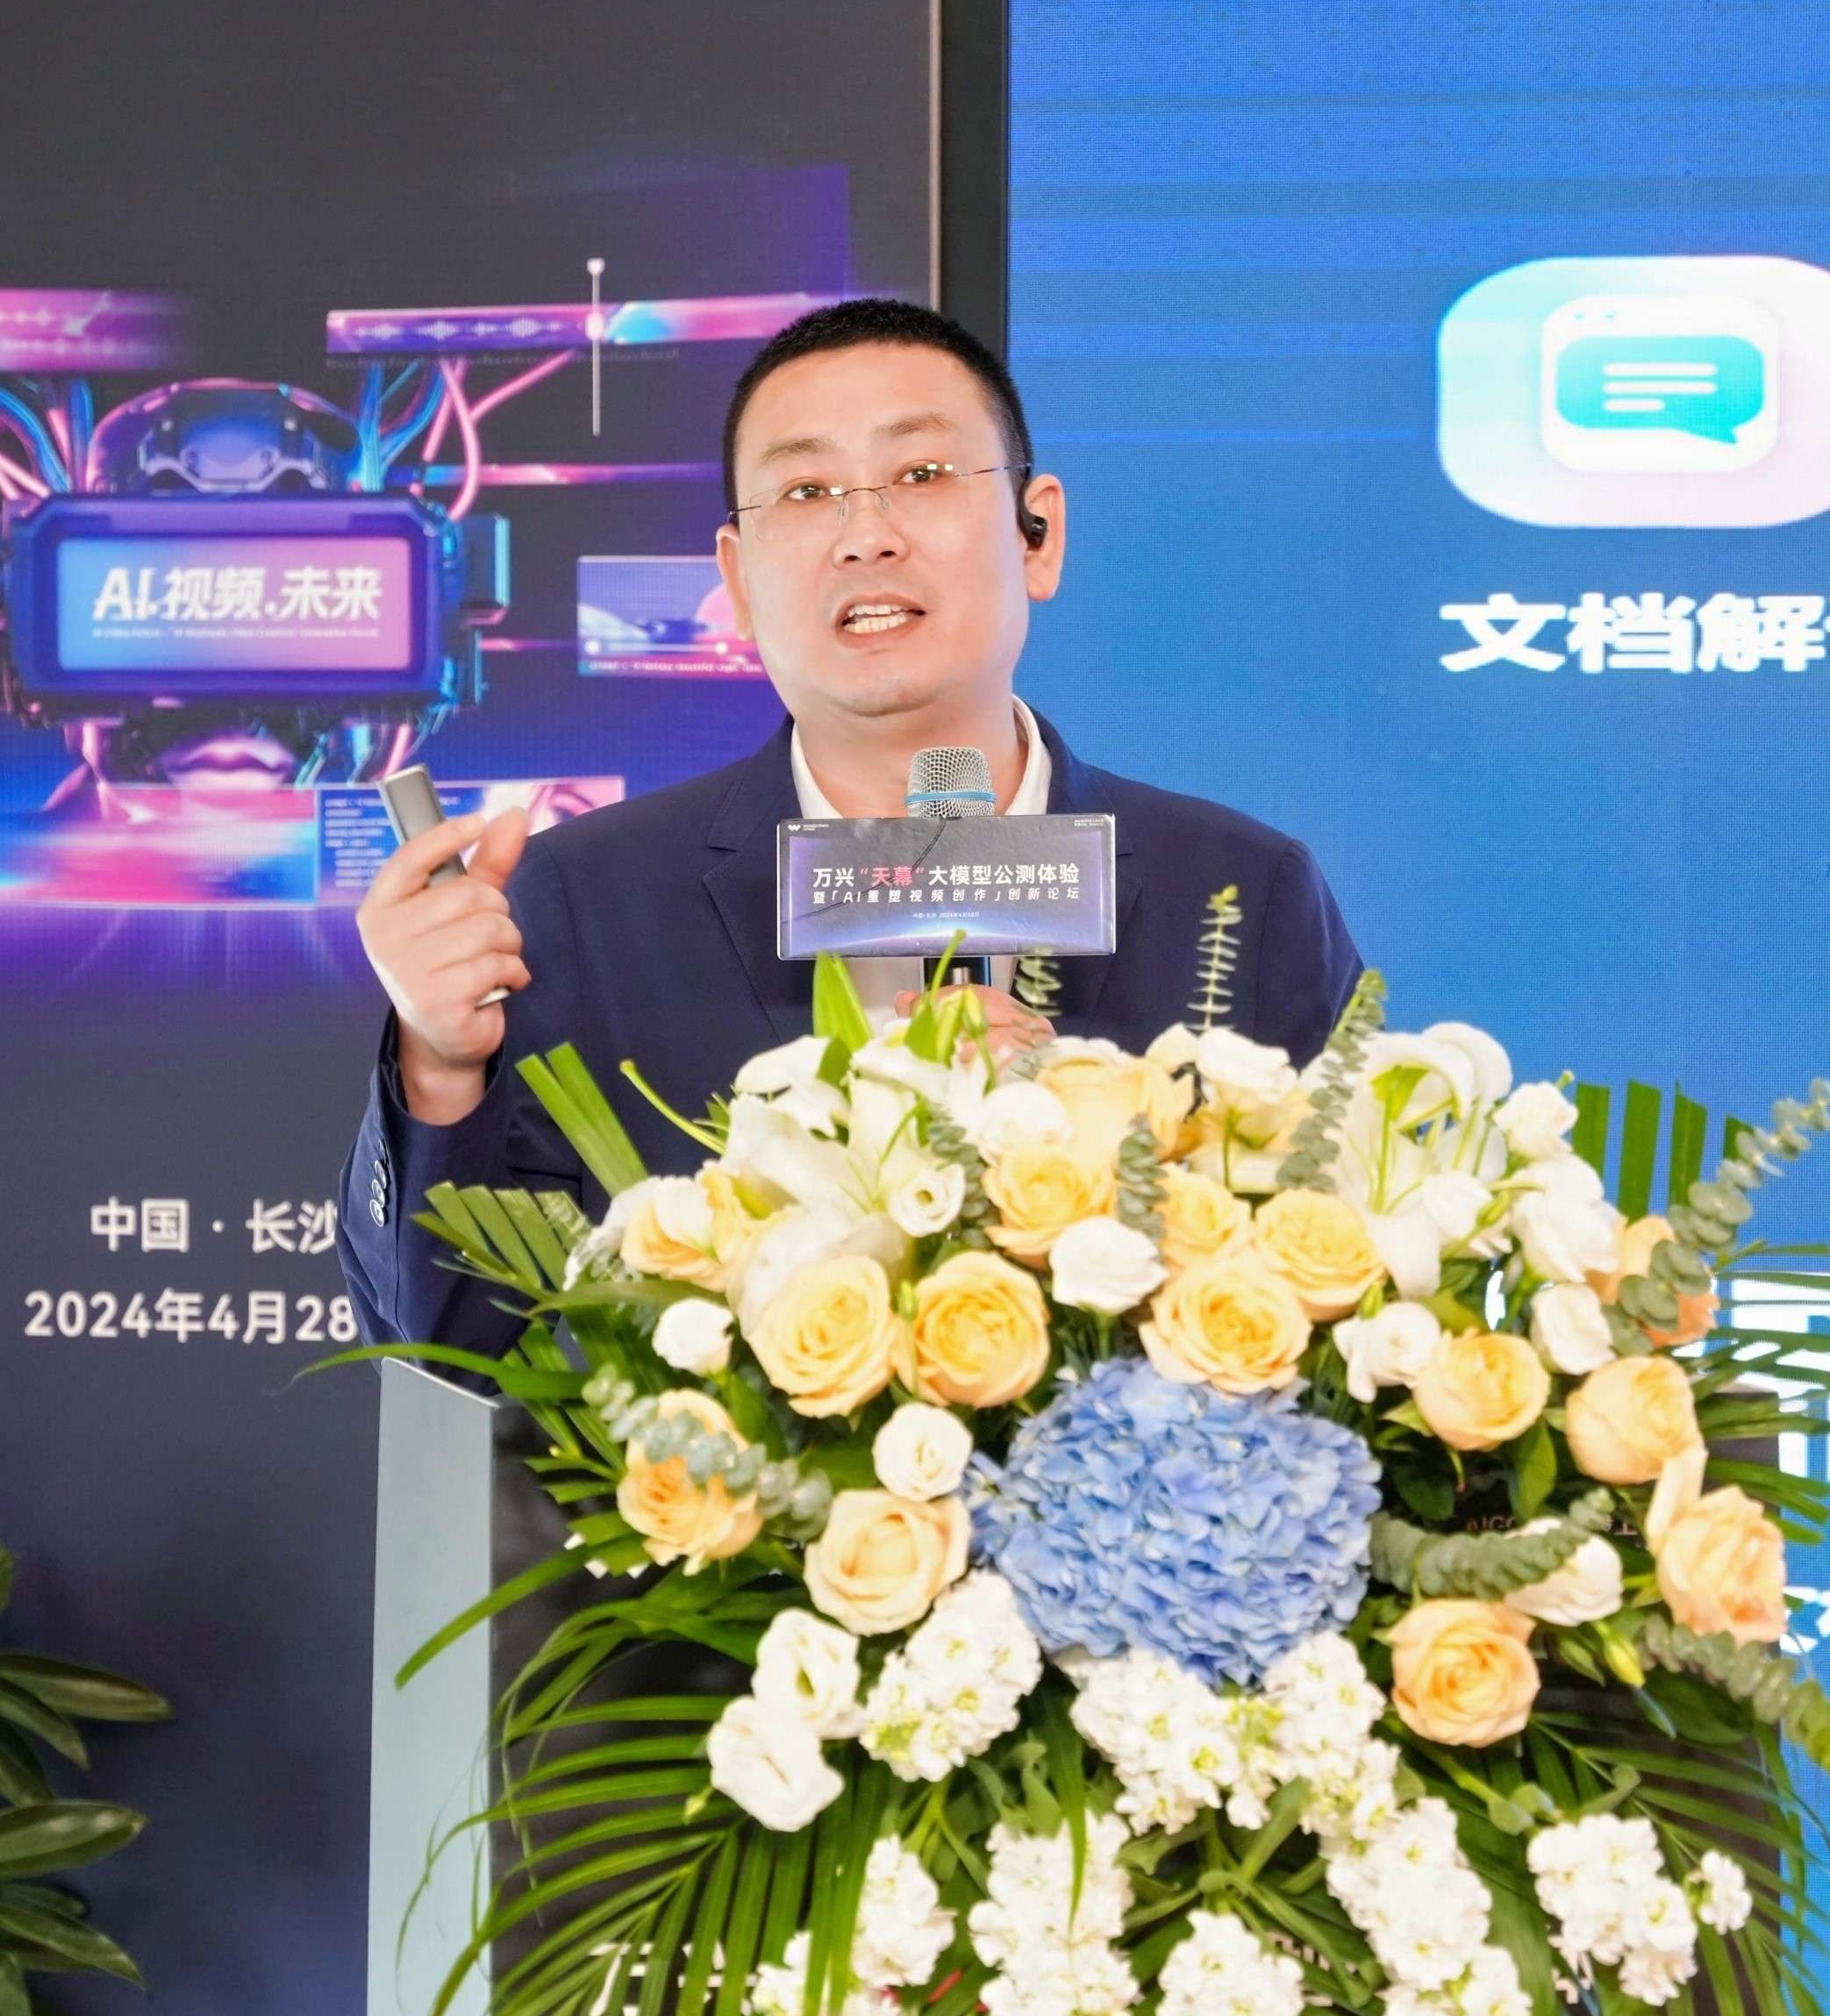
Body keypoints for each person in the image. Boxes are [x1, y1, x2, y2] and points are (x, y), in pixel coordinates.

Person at [339, 297, 1362, 1352]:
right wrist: (440, 1069)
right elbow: (458, 1346)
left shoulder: (1239, 895)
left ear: (1038, 534)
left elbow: (1357, 1310)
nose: (865, 535)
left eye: (921, 473)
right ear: (736, 579)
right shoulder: (579, 905)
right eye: (806, 491)